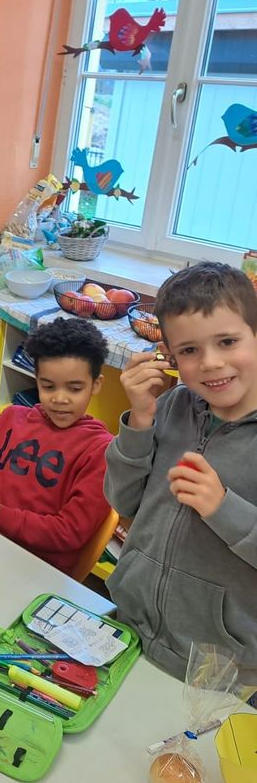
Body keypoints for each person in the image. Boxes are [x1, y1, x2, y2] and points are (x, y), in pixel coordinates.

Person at [105, 262, 257, 681]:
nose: (210, 363)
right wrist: (139, 421)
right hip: (129, 629)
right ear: (169, 355)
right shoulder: (171, 406)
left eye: (227, 341)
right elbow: (123, 501)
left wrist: (223, 508)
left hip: (218, 668)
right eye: (189, 350)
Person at [0, 316, 112, 575]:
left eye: (75, 389)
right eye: (48, 386)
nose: (60, 398)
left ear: (96, 384)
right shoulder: (10, 417)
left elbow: (69, 533)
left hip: (34, 568)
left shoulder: (100, 449)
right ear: (37, 379)